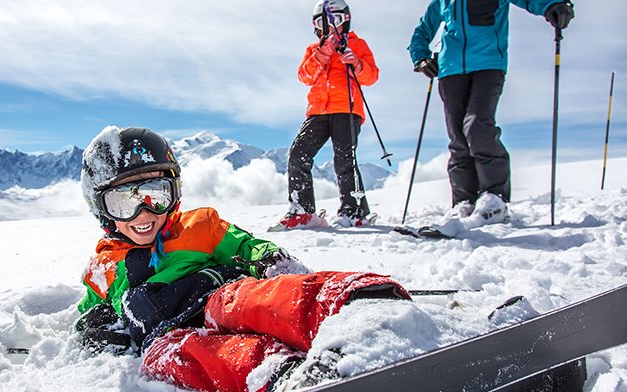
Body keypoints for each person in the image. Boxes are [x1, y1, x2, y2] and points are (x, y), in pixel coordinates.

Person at [75, 126, 411, 392]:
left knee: (250, 299)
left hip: (213, 297)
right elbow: (87, 312)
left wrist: (268, 260)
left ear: (173, 195)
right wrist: (96, 327)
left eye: (155, 195)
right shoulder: (103, 269)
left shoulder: (198, 226)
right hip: (167, 334)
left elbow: (246, 246)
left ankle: (353, 303)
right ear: (101, 210)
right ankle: (280, 372)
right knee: (169, 358)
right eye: (124, 203)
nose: (143, 212)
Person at [408, 0, 575, 222]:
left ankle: (494, 199)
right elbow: (422, 31)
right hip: (450, 70)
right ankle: (463, 202)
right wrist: (420, 58)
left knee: (477, 126)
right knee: (458, 137)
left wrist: (552, 5)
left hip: (488, 65)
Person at [279, 0, 380, 230]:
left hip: (347, 108)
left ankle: (354, 211)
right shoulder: (313, 49)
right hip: (318, 110)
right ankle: (302, 210)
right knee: (298, 153)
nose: (329, 28)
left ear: (345, 20)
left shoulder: (357, 45)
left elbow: (371, 77)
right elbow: (304, 76)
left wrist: (356, 62)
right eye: (323, 23)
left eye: (334, 21)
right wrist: (322, 54)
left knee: (345, 158)